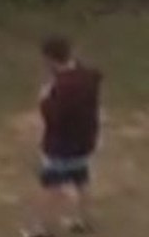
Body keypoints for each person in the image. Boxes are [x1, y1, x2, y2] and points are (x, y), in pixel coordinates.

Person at [22, 36, 103, 237]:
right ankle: (85, 220)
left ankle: (38, 229)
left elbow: (53, 116)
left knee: (50, 186)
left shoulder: (61, 88)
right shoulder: (88, 76)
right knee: (81, 179)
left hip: (62, 145)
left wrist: (44, 99)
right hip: (85, 141)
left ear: (50, 59)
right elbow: (93, 74)